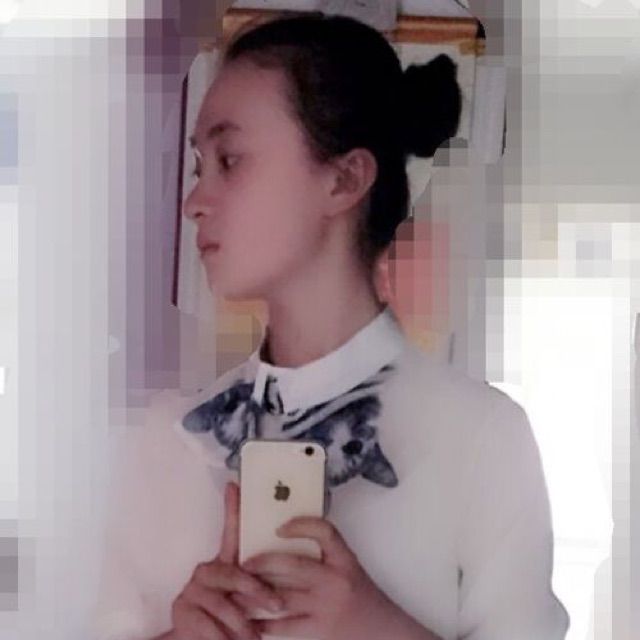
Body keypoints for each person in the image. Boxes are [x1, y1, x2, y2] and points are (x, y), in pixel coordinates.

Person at [89, 11, 570, 640]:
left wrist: (377, 626)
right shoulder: (167, 441)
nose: (194, 201)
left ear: (345, 179)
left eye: (230, 160)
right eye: (200, 165)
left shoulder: (483, 440)